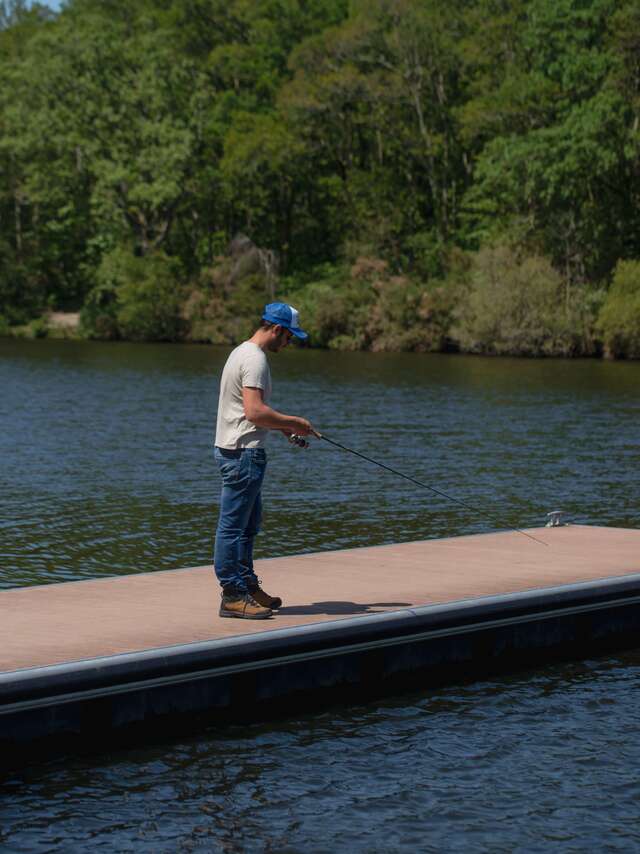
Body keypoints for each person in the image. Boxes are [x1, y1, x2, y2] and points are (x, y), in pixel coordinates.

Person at [213, 302, 315, 619]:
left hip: (239, 450)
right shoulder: (255, 359)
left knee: (247, 527)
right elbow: (254, 411)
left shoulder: (242, 352)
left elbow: (252, 414)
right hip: (243, 454)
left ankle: (246, 585)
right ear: (277, 329)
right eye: (289, 337)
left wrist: (284, 428)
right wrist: (294, 421)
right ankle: (232, 595)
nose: (289, 343)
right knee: (233, 529)